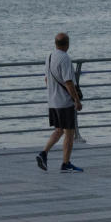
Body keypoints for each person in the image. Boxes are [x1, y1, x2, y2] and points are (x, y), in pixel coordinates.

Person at [37, 32, 83, 173]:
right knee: (69, 133)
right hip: (64, 102)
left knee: (58, 131)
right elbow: (69, 82)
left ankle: (43, 153)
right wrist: (76, 100)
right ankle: (66, 163)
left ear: (55, 44)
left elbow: (46, 80)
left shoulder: (49, 57)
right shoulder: (65, 58)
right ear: (67, 44)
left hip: (53, 101)